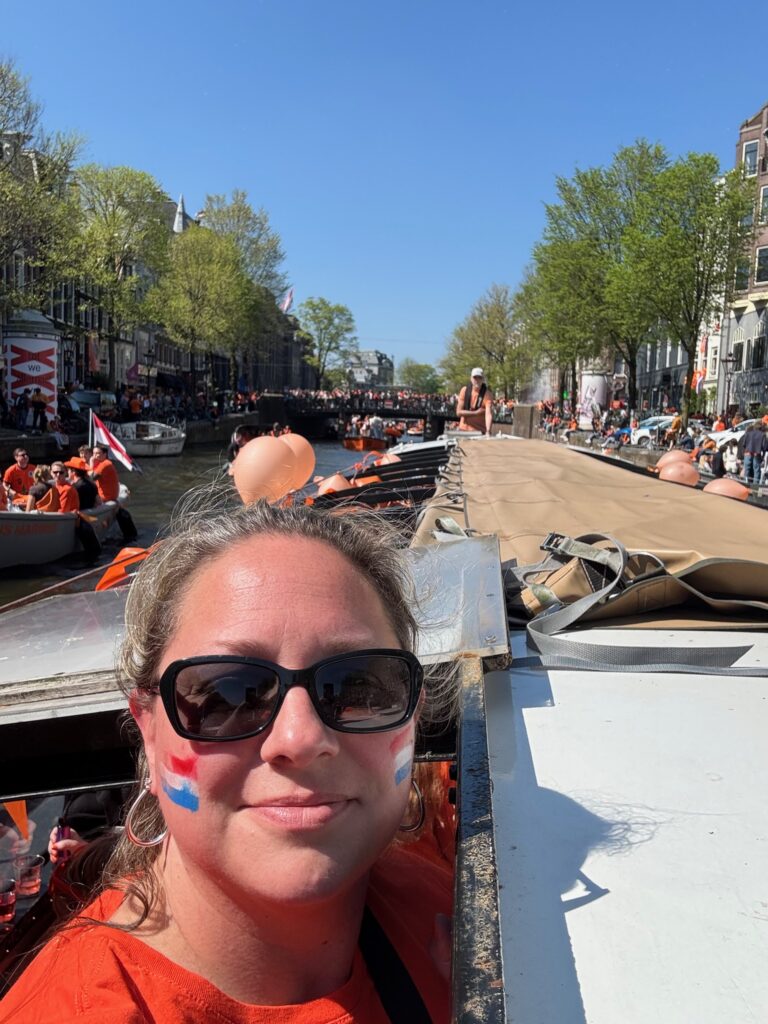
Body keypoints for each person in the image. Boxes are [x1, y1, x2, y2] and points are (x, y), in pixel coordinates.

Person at [1, 503, 453, 1022]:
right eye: (225, 694)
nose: (300, 738)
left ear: (412, 714)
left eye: (358, 686)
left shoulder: (462, 919)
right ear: (148, 730)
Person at [90, 443, 138, 542]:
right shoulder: (102, 464)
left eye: (98, 454)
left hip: (106, 498)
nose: (95, 456)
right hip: (107, 496)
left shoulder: (105, 464)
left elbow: (92, 478)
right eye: (93, 453)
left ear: (104, 455)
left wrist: (91, 463)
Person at [456, 368, 493, 435]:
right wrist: (476, 413)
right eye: (475, 377)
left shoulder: (487, 394)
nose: (477, 380)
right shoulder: (464, 390)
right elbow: (458, 412)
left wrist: (488, 431)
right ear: (471, 379)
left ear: (483, 379)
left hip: (480, 431)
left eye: (479, 377)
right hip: (463, 429)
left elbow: (488, 414)